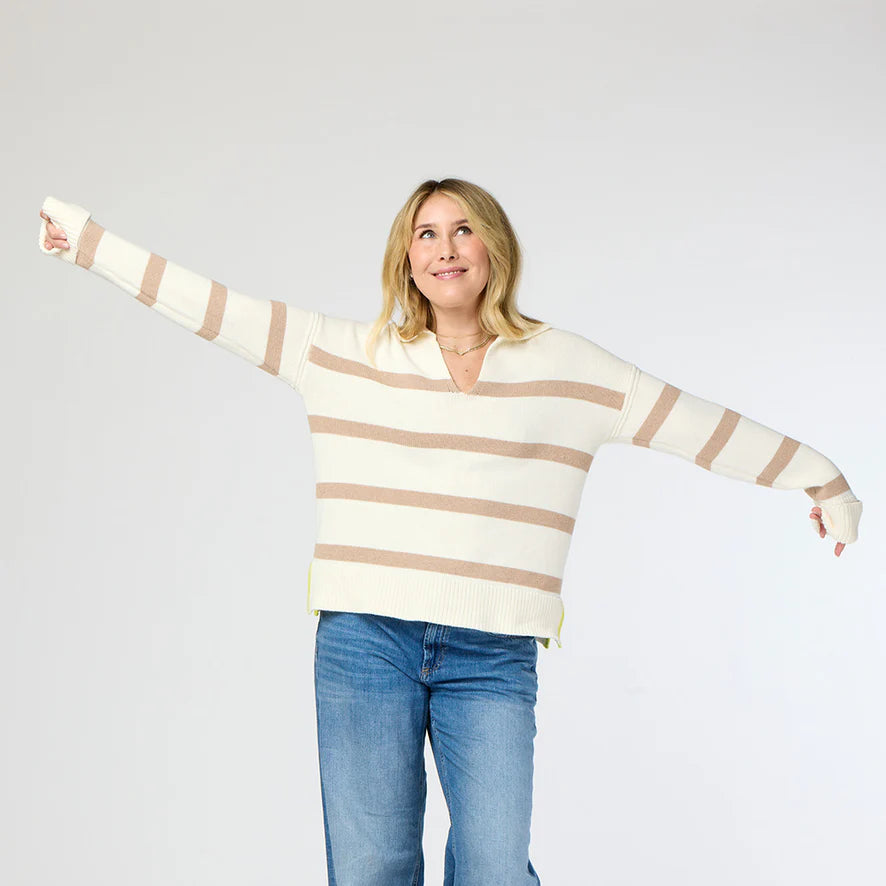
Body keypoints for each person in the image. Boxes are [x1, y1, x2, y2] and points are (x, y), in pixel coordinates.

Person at [38, 179, 863, 885]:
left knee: (497, 868)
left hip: (493, 652)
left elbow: (696, 424)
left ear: (494, 247)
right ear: (407, 259)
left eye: (463, 228)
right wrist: (88, 243)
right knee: (370, 871)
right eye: (424, 233)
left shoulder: (569, 367)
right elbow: (212, 307)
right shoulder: (342, 355)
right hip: (365, 642)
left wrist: (820, 475)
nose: (445, 247)